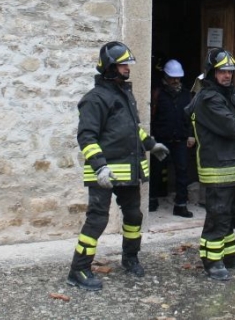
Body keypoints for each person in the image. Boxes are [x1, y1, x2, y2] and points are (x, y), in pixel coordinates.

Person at [66, 41, 170, 291]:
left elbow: (132, 129)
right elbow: (86, 137)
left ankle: (130, 258)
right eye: (122, 64)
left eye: (128, 64)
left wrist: (151, 144)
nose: (127, 68)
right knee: (97, 221)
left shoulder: (124, 93)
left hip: (128, 170)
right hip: (104, 172)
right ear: (109, 67)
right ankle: (78, 270)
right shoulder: (94, 99)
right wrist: (100, 167)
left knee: (134, 216)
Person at [185, 48, 235, 281]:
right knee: (217, 216)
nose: (227, 75)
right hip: (218, 170)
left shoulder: (225, 95)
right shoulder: (208, 99)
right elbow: (231, 128)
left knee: (228, 214)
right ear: (211, 73)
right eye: (222, 71)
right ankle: (211, 261)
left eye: (230, 71)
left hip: (233, 168)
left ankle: (228, 255)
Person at [149, 59, 196, 218]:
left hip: (180, 139)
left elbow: (190, 116)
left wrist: (190, 134)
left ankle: (181, 205)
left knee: (182, 172)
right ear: (166, 77)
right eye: (172, 77)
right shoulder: (158, 93)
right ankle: (152, 199)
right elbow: (152, 116)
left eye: (178, 77)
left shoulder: (186, 94)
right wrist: (152, 137)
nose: (175, 80)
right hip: (161, 138)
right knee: (155, 170)